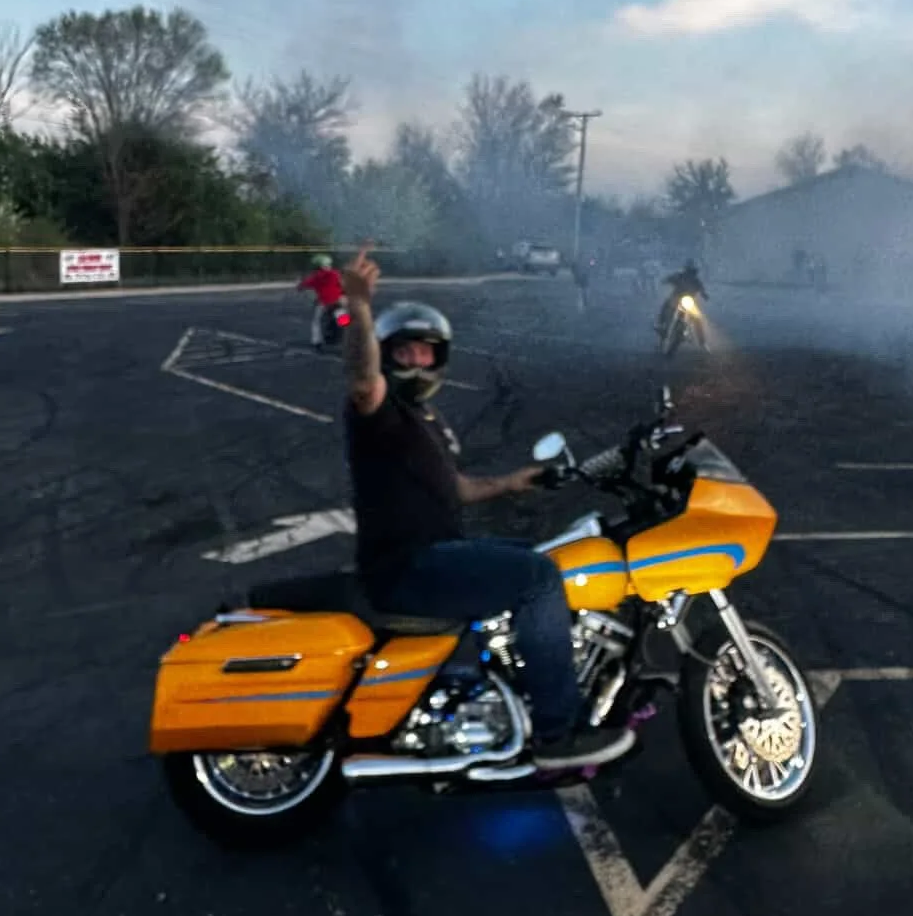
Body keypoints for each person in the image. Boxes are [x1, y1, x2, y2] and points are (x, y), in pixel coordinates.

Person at [340, 243, 634, 771]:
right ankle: (556, 733)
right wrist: (359, 306)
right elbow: (363, 381)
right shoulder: (379, 413)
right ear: (387, 354)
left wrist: (512, 482)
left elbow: (454, 489)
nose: (417, 360)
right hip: (408, 565)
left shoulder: (423, 421)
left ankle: (518, 683)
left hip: (432, 552)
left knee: (543, 556)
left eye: (426, 352)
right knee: (539, 578)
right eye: (404, 352)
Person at [297, 253, 345, 350]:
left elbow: (301, 286)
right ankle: (350, 337)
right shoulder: (335, 274)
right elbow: (342, 285)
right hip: (337, 302)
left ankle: (317, 341)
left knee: (316, 322)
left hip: (323, 303)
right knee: (344, 321)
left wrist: (300, 284)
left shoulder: (314, 277)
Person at [657, 259, 708, 335]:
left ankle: (702, 342)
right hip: (676, 297)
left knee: (697, 318)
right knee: (666, 305)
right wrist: (665, 280)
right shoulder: (679, 276)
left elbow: (701, 288)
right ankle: (661, 324)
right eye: (689, 271)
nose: (690, 273)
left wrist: (704, 294)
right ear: (686, 270)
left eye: (692, 271)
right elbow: (670, 278)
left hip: (689, 301)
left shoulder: (696, 280)